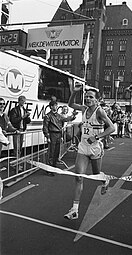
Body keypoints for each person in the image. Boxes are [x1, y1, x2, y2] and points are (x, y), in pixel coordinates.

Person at [64, 87, 115, 220]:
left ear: (97, 100)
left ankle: (105, 180)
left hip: (95, 148)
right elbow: (70, 104)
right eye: (86, 96)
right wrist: (74, 92)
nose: (88, 99)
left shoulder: (100, 112)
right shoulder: (83, 109)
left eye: (91, 97)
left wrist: (97, 137)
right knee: (78, 177)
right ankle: (74, 210)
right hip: (83, 147)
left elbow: (112, 127)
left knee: (96, 175)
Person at [43, 100, 77, 176]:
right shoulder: (48, 116)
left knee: (56, 152)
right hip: (52, 134)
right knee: (51, 152)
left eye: (57, 105)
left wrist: (73, 116)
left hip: (58, 134)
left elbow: (66, 119)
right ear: (51, 107)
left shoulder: (58, 115)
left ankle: (53, 167)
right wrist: (47, 136)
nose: (57, 106)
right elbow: (45, 127)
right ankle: (49, 169)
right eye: (55, 105)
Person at [9, 96, 31, 162]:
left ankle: (18, 161)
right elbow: (13, 120)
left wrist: (27, 117)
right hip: (16, 130)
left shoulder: (24, 110)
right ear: (19, 101)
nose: (23, 102)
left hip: (22, 129)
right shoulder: (14, 110)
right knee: (16, 147)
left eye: (24, 101)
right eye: (22, 100)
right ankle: (16, 162)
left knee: (20, 146)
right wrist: (22, 117)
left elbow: (28, 121)